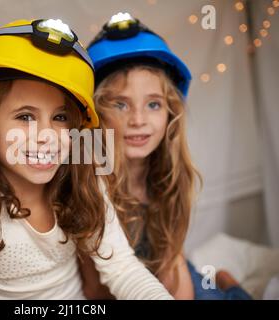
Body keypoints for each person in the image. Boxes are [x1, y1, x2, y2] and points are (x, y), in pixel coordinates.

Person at [0, 18, 172, 300]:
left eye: (60, 118)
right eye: (25, 117)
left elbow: (122, 268)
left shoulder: (85, 183)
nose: (46, 136)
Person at [80, 12, 252, 300]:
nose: (138, 119)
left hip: (169, 280)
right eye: (120, 105)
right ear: (95, 114)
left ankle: (228, 281)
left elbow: (174, 264)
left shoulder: (168, 175)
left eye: (153, 105)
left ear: (170, 112)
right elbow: (95, 290)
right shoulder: (86, 187)